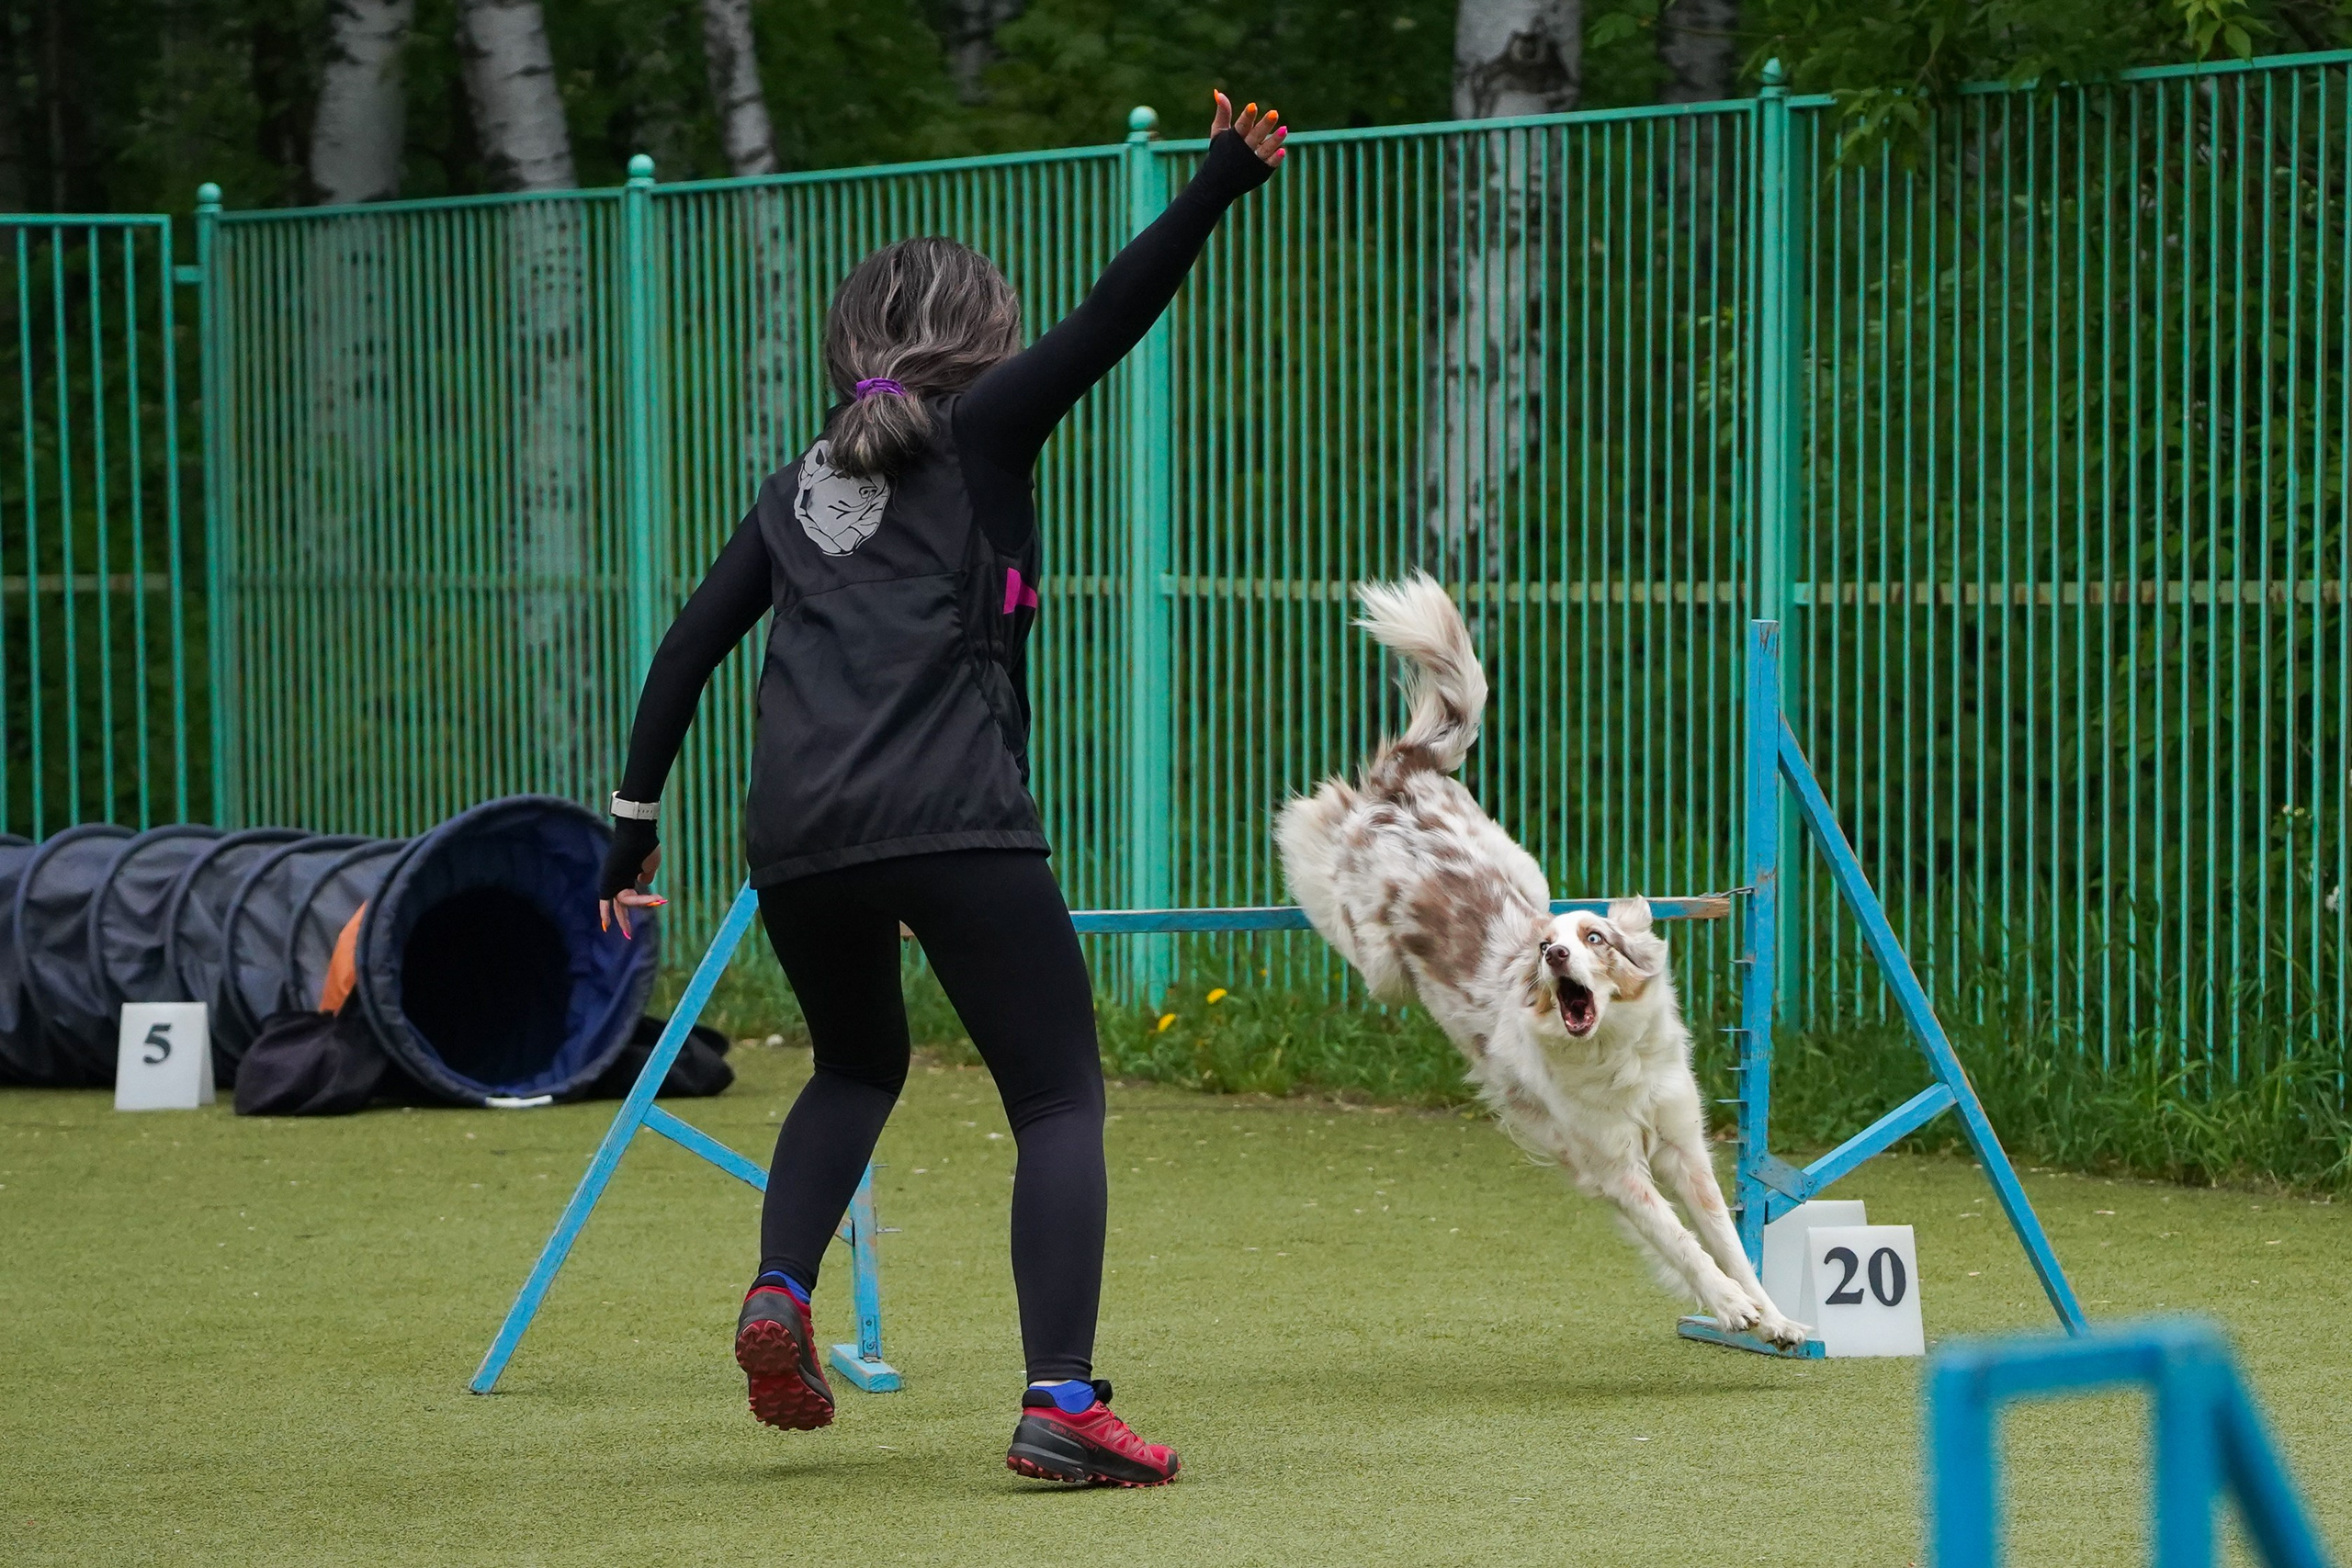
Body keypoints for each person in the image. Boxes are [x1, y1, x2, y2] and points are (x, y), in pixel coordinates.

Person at [594, 92, 1286, 1488]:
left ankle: (781, 1287)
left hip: (794, 843)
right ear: (981, 337)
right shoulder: (983, 428)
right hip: (956, 818)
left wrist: (629, 838)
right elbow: (1112, 315)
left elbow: (683, 651)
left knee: (859, 1064)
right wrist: (1222, 182)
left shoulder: (791, 487)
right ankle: (1061, 1405)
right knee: (1055, 1100)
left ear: (851, 341)